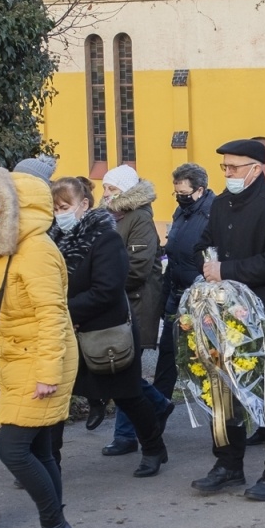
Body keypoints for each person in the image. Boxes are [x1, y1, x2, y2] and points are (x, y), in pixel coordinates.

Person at [0, 166, 79, 528]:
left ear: (12, 209)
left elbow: (52, 314)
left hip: (41, 361)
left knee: (13, 450)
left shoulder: (36, 250)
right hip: (19, 359)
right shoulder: (3, 248)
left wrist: (47, 373)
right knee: (38, 449)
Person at [191, 139, 265, 502]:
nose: (227, 174)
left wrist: (225, 269)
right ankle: (228, 464)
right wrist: (206, 264)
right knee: (224, 394)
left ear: (255, 169)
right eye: (224, 168)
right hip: (225, 320)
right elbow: (204, 245)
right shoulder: (221, 204)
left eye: (233, 168)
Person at [50, 176, 170, 478]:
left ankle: (154, 447)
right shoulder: (52, 239)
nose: (59, 213)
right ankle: (49, 462)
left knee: (129, 395)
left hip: (106, 331)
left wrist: (64, 309)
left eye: (65, 206)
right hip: (68, 332)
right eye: (54, 208)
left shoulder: (105, 236)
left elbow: (107, 289)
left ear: (84, 205)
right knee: (56, 398)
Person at [97, 165, 171, 456]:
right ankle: (153, 410)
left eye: (112, 189)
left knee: (124, 371)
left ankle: (129, 433)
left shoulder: (138, 218)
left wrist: (102, 283)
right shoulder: (113, 217)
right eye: (105, 188)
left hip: (136, 305)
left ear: (127, 191)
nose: (106, 194)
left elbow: (137, 267)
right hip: (119, 303)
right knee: (122, 371)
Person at [156, 163, 214, 402]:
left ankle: (217, 410)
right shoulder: (181, 212)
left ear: (199, 191)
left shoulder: (214, 213)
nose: (180, 198)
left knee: (205, 357)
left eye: (184, 194)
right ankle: (159, 409)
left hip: (201, 299)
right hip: (175, 294)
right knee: (167, 355)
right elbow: (174, 254)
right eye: (176, 193)